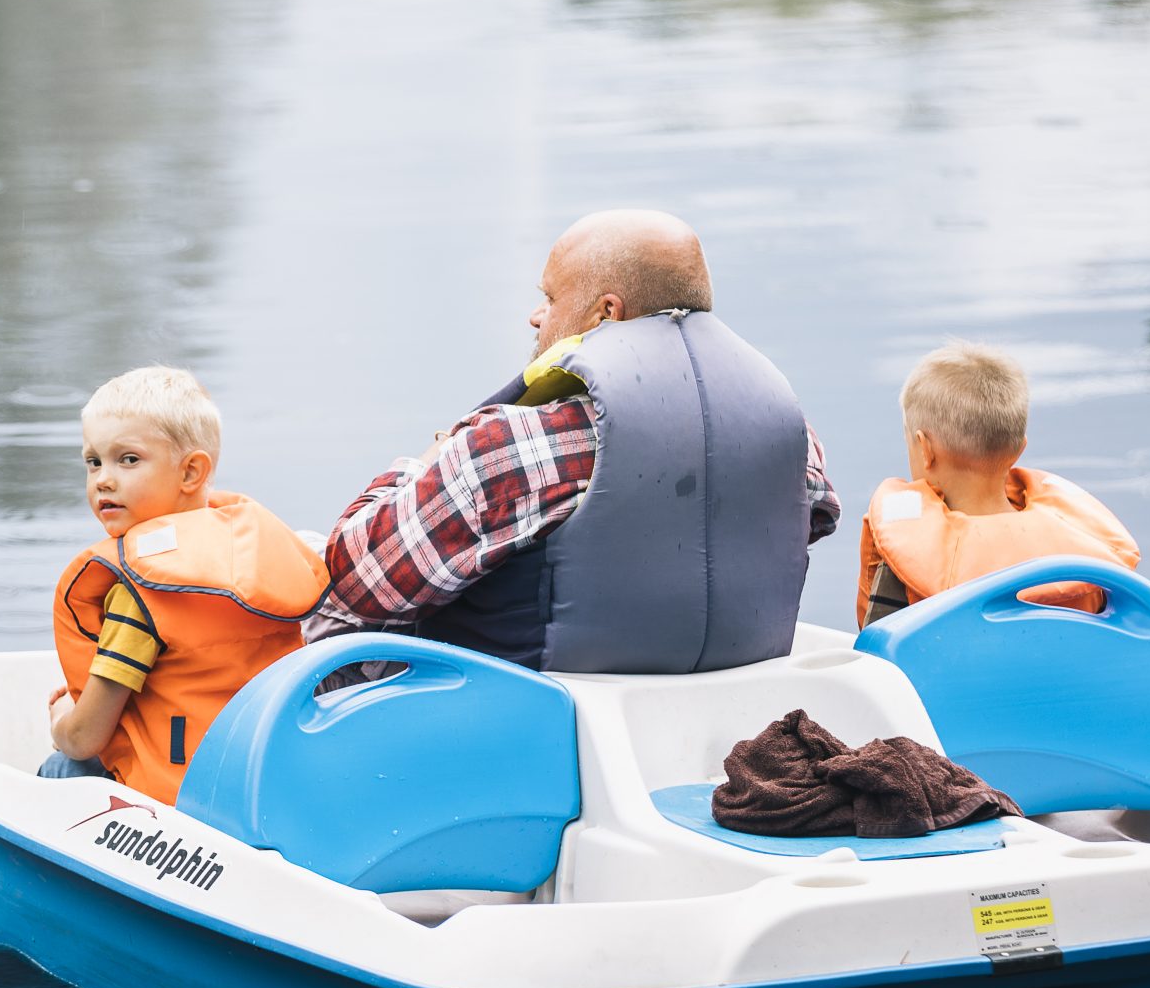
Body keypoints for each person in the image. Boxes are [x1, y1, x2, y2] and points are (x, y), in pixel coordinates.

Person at [308, 210, 840, 673]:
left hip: (531, 711)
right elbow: (813, 520)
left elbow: (358, 580)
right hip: (732, 696)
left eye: (549, 297)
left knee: (307, 586)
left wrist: (428, 460)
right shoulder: (790, 435)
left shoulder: (508, 447)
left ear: (607, 313)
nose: (536, 315)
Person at [45, 366, 328, 801]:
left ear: (191, 472)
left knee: (63, 765)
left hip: (175, 801)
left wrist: (61, 719)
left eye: (128, 459)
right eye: (93, 461)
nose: (103, 479)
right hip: (258, 785)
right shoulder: (248, 563)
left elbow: (85, 738)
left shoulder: (141, 593)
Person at [856, 342, 1138, 627]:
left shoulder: (908, 559)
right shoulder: (1086, 567)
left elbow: (875, 647)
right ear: (1019, 449)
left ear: (925, 449)